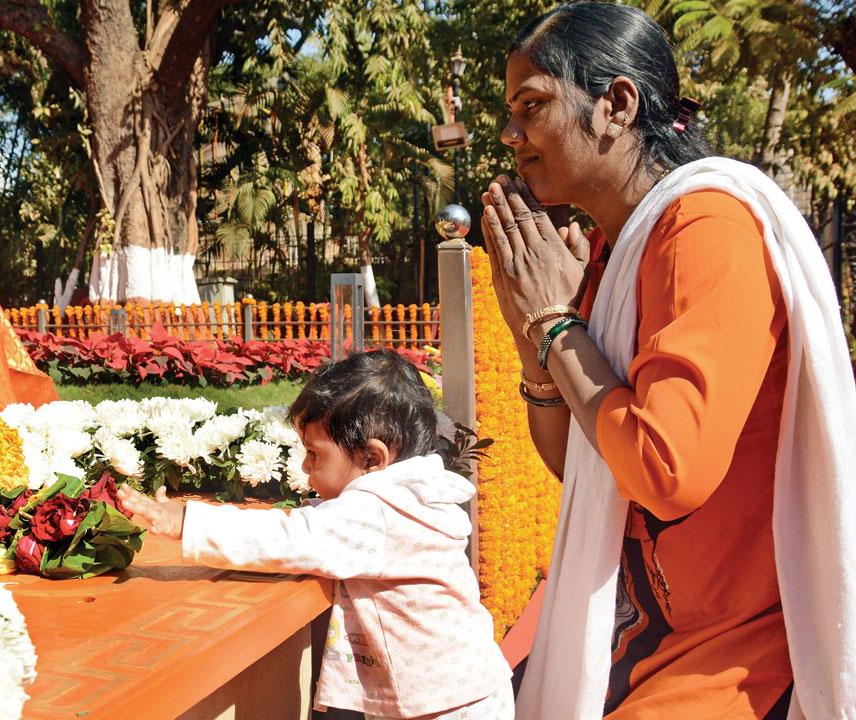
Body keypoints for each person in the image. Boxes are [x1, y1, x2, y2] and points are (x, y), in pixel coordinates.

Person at [479, 3, 856, 719]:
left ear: (617, 104)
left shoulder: (705, 227)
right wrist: (538, 341)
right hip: (648, 620)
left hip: (742, 646)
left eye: (532, 106)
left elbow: (662, 469)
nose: (511, 133)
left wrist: (558, 325)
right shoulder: (612, 250)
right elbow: (582, 459)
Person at [118, 349, 514, 720]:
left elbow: (291, 539)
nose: (306, 469)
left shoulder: (376, 513)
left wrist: (186, 521)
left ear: (372, 458)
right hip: (465, 692)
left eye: (315, 454)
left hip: (446, 706)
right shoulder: (410, 496)